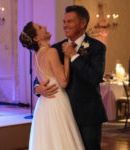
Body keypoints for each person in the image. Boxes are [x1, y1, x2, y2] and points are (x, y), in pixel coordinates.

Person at [34, 5, 108, 150]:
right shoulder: (55, 48)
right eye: (64, 21)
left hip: (87, 115)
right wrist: (37, 88)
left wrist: (74, 55)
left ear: (82, 23)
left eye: (69, 21)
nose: (65, 25)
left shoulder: (96, 47)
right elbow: (42, 74)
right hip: (61, 115)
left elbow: (94, 77)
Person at [19, 22, 85, 150]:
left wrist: (38, 87)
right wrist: (67, 57)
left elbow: (43, 79)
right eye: (40, 27)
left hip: (44, 105)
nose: (45, 26)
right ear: (36, 38)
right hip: (57, 101)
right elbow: (64, 82)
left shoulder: (36, 56)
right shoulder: (52, 52)